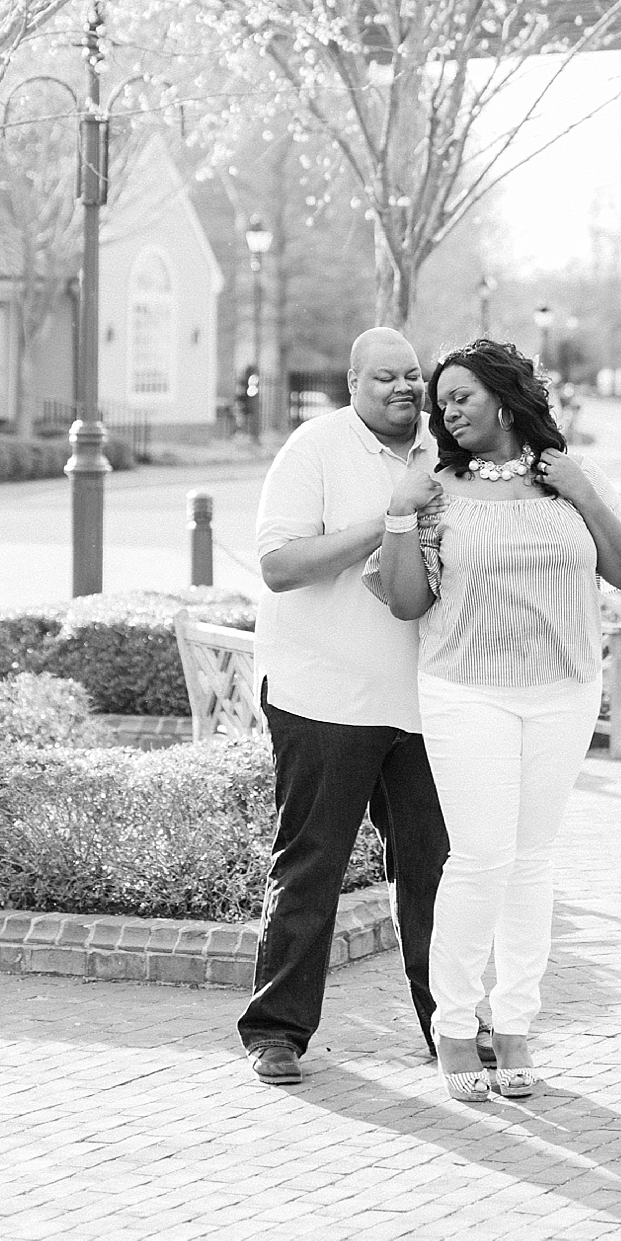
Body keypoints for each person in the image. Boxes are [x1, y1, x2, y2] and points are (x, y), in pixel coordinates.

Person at [372, 337, 621, 1104]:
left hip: (563, 688)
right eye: (440, 400)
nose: (446, 410)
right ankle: (456, 1027)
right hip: (466, 690)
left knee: (533, 860)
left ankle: (517, 1024)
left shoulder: (567, 481)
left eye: (461, 395)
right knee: (482, 858)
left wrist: (585, 491)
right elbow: (405, 603)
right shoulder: (437, 487)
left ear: (504, 397)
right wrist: (399, 513)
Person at [237, 327, 452, 1088]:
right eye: (386, 377)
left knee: (434, 872)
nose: (405, 389)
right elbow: (279, 565)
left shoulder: (445, 452)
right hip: (323, 696)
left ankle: (449, 1028)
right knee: (312, 866)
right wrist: (389, 517)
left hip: (427, 705)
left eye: (414, 377)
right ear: (353, 383)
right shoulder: (316, 449)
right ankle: (276, 1033)